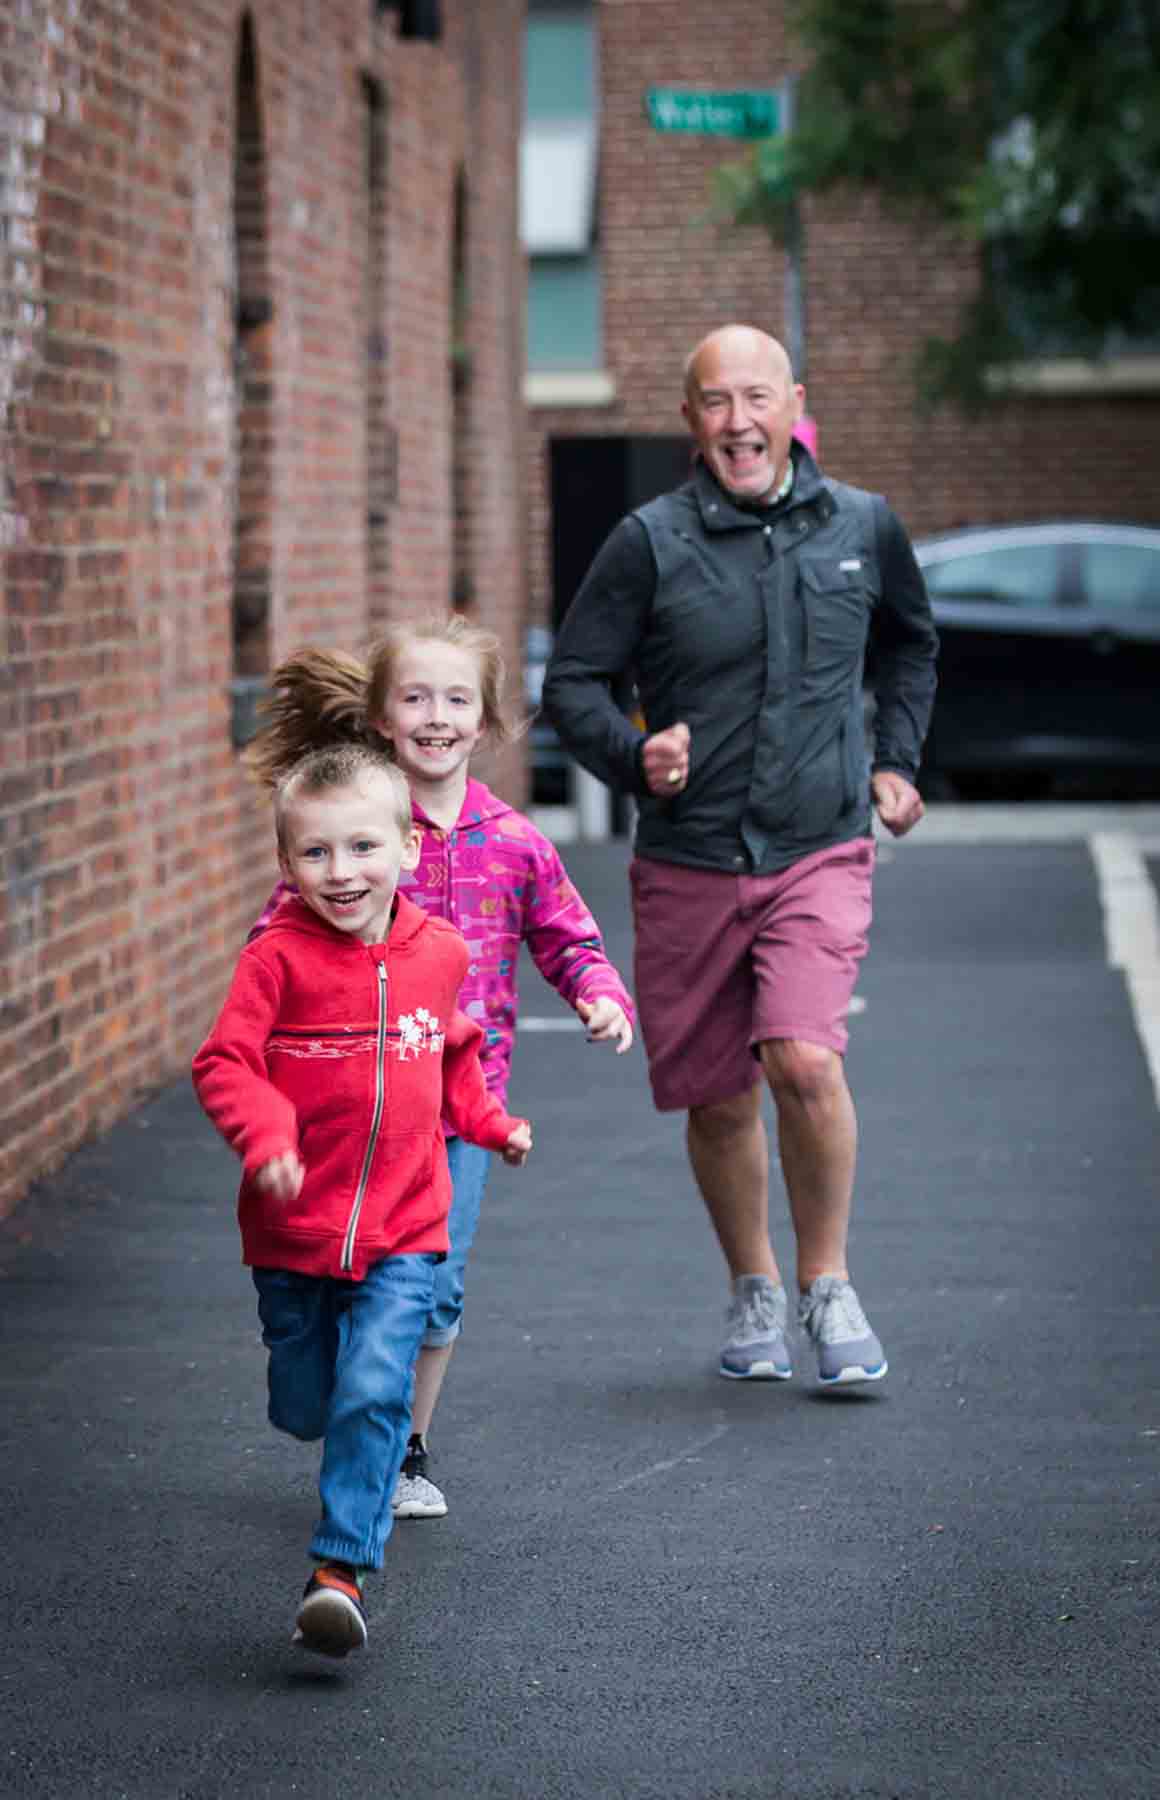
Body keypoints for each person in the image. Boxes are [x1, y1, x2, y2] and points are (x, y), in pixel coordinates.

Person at [542, 323, 938, 1387]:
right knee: (717, 1097)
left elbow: (907, 643)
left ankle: (827, 1284)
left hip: (818, 845)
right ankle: (752, 1286)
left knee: (803, 1058)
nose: (738, 421)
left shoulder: (862, 526)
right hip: (689, 857)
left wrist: (895, 761)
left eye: (756, 397)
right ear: (690, 420)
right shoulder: (647, 544)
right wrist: (636, 758)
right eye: (716, 402)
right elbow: (570, 685)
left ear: (792, 402)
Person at [244, 614, 634, 1517]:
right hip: (348, 1103)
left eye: (458, 699)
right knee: (345, 1273)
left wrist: (599, 993)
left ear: (487, 721)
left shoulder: (515, 841)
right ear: (381, 717)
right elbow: (282, 924)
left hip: (460, 1105)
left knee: (436, 1286)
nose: (436, 715)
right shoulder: (357, 830)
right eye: (415, 697)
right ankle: (349, 1397)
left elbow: (566, 934)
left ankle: (402, 1450)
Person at [192, 744, 532, 1657]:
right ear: (286, 862)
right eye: (315, 853)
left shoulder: (442, 955)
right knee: (308, 1406)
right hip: (292, 1228)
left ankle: (340, 1571)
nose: (341, 873)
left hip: (404, 1226)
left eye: (362, 848)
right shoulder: (275, 960)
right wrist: (267, 1139)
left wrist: (490, 1125)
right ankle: (319, 1413)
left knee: (376, 1390)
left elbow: (454, 1049)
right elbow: (224, 1061)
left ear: (408, 849)